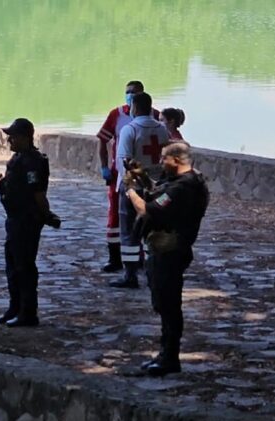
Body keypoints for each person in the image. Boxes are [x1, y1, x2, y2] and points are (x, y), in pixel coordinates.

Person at [125, 142, 209, 376]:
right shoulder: (187, 182)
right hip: (168, 249)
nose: (161, 162)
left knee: (169, 305)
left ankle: (170, 357)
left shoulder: (184, 187)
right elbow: (160, 196)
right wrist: (142, 179)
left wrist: (131, 190)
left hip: (170, 250)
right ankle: (166, 353)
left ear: (176, 160)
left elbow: (147, 209)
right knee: (164, 303)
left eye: (164, 159)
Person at [0, 118, 60, 328]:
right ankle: (14, 307)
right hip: (14, 218)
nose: (9, 141)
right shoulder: (18, 158)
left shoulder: (33, 161)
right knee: (12, 265)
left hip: (26, 219)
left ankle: (28, 312)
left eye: (12, 136)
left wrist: (47, 215)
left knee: (24, 266)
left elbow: (38, 193)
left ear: (25, 137)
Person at [112, 91, 169, 289]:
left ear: (135, 107)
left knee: (129, 232)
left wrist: (125, 186)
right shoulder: (162, 130)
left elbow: (124, 161)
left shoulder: (130, 129)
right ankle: (154, 272)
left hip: (133, 188)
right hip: (156, 188)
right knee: (152, 231)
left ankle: (130, 275)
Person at [97, 80, 148, 273]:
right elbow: (102, 140)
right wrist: (104, 167)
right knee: (115, 218)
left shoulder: (155, 116)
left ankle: (139, 260)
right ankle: (114, 259)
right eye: (127, 92)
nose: (130, 95)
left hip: (145, 178)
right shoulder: (116, 115)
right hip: (119, 177)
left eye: (134, 93)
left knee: (144, 218)